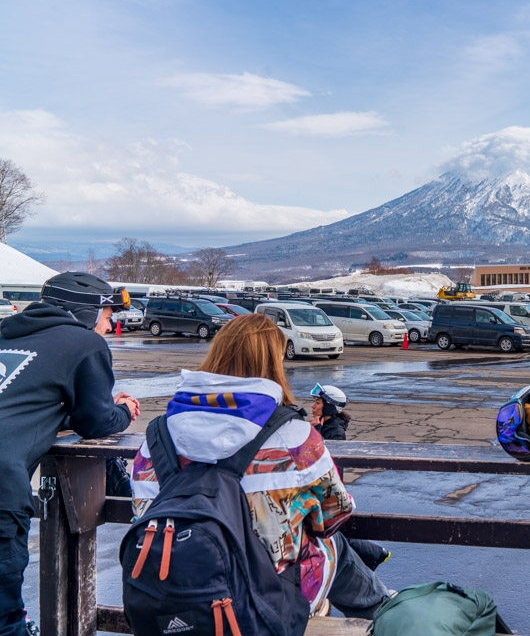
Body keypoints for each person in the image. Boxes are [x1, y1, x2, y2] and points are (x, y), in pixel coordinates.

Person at [130, 314, 391, 618]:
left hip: (170, 595)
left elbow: (141, 510)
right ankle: (384, 613)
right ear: (273, 365)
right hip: (261, 604)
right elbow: (336, 513)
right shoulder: (294, 437)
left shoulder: (156, 437)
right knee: (332, 546)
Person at [0, 272, 140, 636]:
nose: (110, 328)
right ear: (86, 314)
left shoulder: (7, 335)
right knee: (5, 621)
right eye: (108, 317)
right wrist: (123, 410)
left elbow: (23, 403)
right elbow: (96, 423)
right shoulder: (83, 344)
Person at [308, 383, 391, 571]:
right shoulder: (325, 425)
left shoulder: (334, 431)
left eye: (318, 402)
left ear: (329, 406)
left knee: (331, 530)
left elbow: (323, 456)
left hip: (329, 487)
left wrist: (314, 433)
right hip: (325, 485)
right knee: (331, 530)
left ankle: (373, 554)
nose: (313, 406)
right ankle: (372, 554)